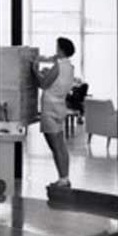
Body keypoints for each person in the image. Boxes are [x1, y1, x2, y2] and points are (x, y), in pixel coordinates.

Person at [34, 38, 78, 188]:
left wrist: (35, 70)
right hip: (60, 107)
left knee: (55, 146)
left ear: (60, 50)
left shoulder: (58, 66)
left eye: (57, 47)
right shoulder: (70, 67)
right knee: (61, 144)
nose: (55, 50)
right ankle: (65, 178)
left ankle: (62, 180)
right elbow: (57, 81)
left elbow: (43, 84)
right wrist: (47, 72)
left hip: (50, 108)